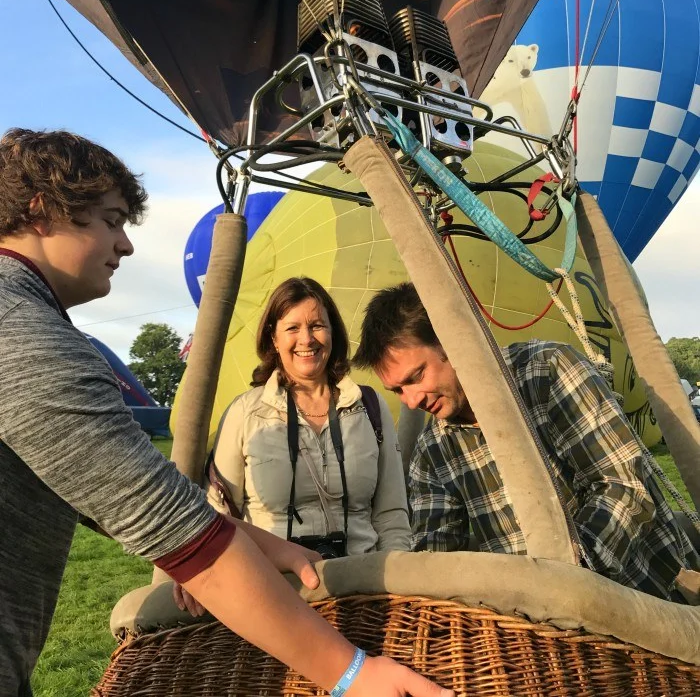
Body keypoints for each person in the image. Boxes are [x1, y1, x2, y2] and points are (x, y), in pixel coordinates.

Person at [0, 129, 452, 697]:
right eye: (112, 219)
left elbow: (129, 502)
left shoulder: (367, 407)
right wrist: (351, 673)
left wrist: (275, 549)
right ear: (42, 212)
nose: (127, 245)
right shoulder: (24, 333)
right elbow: (178, 526)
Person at [353, 281, 694, 602]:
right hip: (540, 630)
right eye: (398, 390)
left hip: (648, 598)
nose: (412, 401)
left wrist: (564, 579)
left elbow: (626, 486)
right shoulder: (432, 452)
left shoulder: (550, 372)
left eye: (416, 377)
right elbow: (436, 552)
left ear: (451, 341)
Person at [206, 277, 410, 555]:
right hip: (276, 581)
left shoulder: (369, 407)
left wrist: (396, 578)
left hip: (362, 580)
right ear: (274, 339)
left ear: (332, 332)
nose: (306, 339)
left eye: (317, 326)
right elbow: (220, 513)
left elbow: (391, 513)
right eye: (292, 328)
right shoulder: (245, 413)